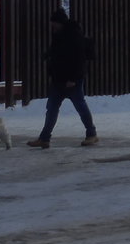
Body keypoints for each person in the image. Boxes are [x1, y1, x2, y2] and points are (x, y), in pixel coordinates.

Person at [26, 8, 98, 148]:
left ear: (60, 23)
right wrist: (47, 55)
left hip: (71, 80)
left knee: (79, 106)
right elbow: (58, 51)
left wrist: (72, 78)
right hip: (59, 79)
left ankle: (92, 134)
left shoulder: (73, 35)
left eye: (54, 23)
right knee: (52, 108)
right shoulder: (59, 34)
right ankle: (44, 138)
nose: (52, 26)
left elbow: (78, 58)